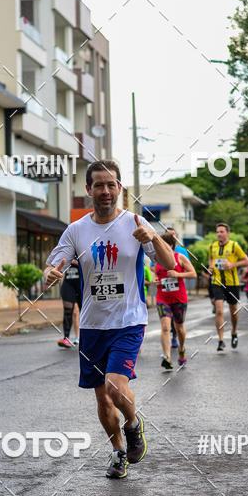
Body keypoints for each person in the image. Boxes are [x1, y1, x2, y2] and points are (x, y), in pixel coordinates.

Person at [43, 160, 175, 479]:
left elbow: (169, 263)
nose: (105, 190)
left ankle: (133, 424)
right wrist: (49, 273)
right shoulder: (76, 230)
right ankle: (118, 452)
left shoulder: (135, 222)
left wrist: (154, 237)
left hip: (128, 321)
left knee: (114, 387)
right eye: (99, 185)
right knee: (102, 397)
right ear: (88, 189)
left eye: (111, 184)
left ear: (120, 188)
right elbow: (53, 264)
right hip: (92, 325)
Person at [155, 232, 196, 369]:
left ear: (171, 245)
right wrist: (156, 280)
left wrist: (177, 274)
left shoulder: (180, 257)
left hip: (179, 298)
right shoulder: (157, 258)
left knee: (179, 328)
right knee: (165, 327)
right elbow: (156, 274)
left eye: (164, 244)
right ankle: (167, 357)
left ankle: (182, 349)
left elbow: (193, 274)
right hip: (162, 298)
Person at [208, 222, 248, 351]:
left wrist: (232, 264)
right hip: (217, 282)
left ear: (228, 233)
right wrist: (210, 266)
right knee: (219, 310)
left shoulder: (234, 246)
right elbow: (211, 258)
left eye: (221, 232)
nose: (219, 234)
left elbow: (246, 261)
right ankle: (221, 341)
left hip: (232, 283)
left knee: (233, 311)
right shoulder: (212, 246)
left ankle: (234, 331)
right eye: (217, 232)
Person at [165, 225, 189, 348]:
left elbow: (189, 268)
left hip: (178, 288)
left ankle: (175, 336)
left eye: (173, 235)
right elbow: (153, 266)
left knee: (177, 318)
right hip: (164, 288)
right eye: (168, 235)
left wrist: (177, 274)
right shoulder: (160, 249)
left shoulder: (182, 251)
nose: (171, 237)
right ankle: (171, 339)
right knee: (166, 318)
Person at [58, 259, 82, 348]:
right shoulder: (67, 251)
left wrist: (75, 262)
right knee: (69, 311)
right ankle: (66, 338)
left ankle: (84, 337)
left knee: (84, 311)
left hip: (81, 283)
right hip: (68, 283)